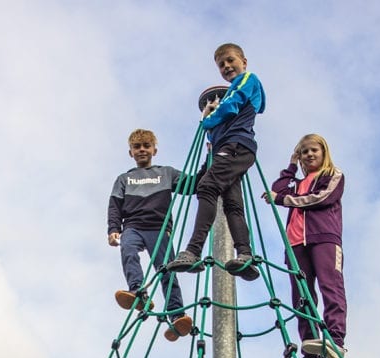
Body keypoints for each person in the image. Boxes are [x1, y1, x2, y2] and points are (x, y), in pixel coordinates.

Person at [165, 42, 265, 281]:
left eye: (231, 60)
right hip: (230, 148)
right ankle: (245, 255)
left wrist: (208, 120)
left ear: (244, 61)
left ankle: (193, 250)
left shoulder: (247, 79)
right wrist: (210, 117)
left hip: (235, 146)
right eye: (221, 64)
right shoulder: (234, 92)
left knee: (207, 187)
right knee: (232, 204)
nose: (227, 66)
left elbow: (232, 105)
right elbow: (218, 131)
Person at [262, 134, 348, 358]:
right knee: (302, 297)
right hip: (296, 244)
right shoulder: (298, 182)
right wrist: (290, 166)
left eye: (314, 151)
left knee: (330, 286)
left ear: (324, 153)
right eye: (303, 152)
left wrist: (284, 200)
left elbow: (321, 198)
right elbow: (277, 189)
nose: (309, 155)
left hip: (324, 239)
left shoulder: (332, 176)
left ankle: (336, 340)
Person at [107, 129, 195, 341]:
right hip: (133, 225)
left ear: (155, 149)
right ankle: (138, 293)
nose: (142, 150)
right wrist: (113, 229)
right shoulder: (124, 179)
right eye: (137, 147)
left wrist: (209, 163)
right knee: (127, 249)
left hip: (158, 227)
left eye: (146, 146)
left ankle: (176, 315)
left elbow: (193, 185)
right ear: (131, 152)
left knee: (167, 269)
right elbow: (115, 205)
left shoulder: (166, 173)